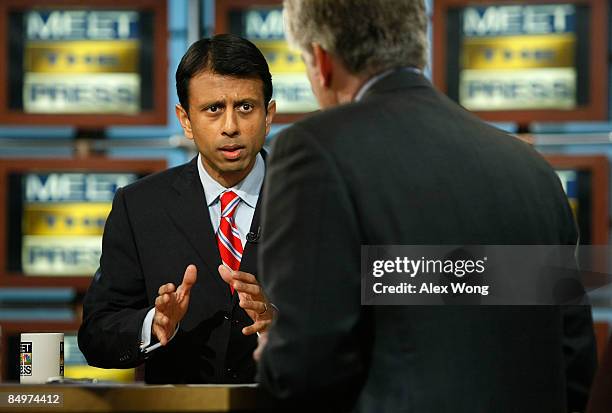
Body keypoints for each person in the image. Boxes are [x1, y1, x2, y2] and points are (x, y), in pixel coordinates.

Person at [255, 0, 597, 411]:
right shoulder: (530, 167)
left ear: (322, 62)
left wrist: (275, 358)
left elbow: (306, 371)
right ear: (416, 45)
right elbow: (574, 358)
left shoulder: (315, 150)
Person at [78, 34, 275, 384]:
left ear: (268, 114)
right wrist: (152, 324)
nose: (230, 126)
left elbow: (365, 321)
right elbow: (96, 333)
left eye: (245, 107)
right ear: (185, 120)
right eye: (213, 109)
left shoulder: (316, 199)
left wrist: (284, 324)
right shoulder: (139, 206)